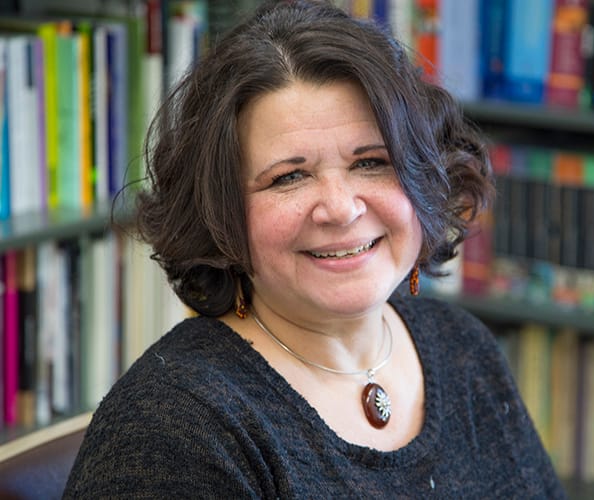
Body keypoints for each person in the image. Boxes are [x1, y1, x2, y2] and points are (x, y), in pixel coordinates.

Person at [64, 0, 566, 498]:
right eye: (290, 176)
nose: (340, 209)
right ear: (219, 212)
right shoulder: (173, 429)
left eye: (371, 162)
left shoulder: (462, 347)